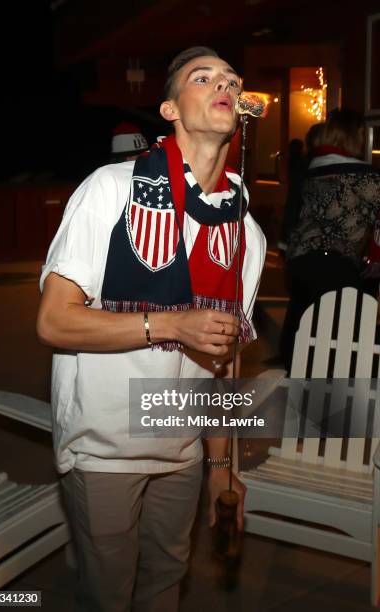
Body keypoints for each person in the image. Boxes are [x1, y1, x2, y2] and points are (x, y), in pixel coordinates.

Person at [37, 46, 266, 612]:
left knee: (168, 580)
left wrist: (219, 468)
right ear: (169, 108)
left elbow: (225, 362)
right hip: (106, 446)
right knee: (107, 595)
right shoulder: (110, 189)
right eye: (203, 77)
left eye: (233, 81)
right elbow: (54, 319)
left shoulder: (246, 233)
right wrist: (171, 323)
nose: (225, 87)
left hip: (183, 446)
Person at [280, 108, 380, 369]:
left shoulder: (312, 170)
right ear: (354, 137)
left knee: (306, 332)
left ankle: (298, 389)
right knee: (339, 338)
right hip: (336, 265)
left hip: (301, 260)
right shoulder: (364, 176)